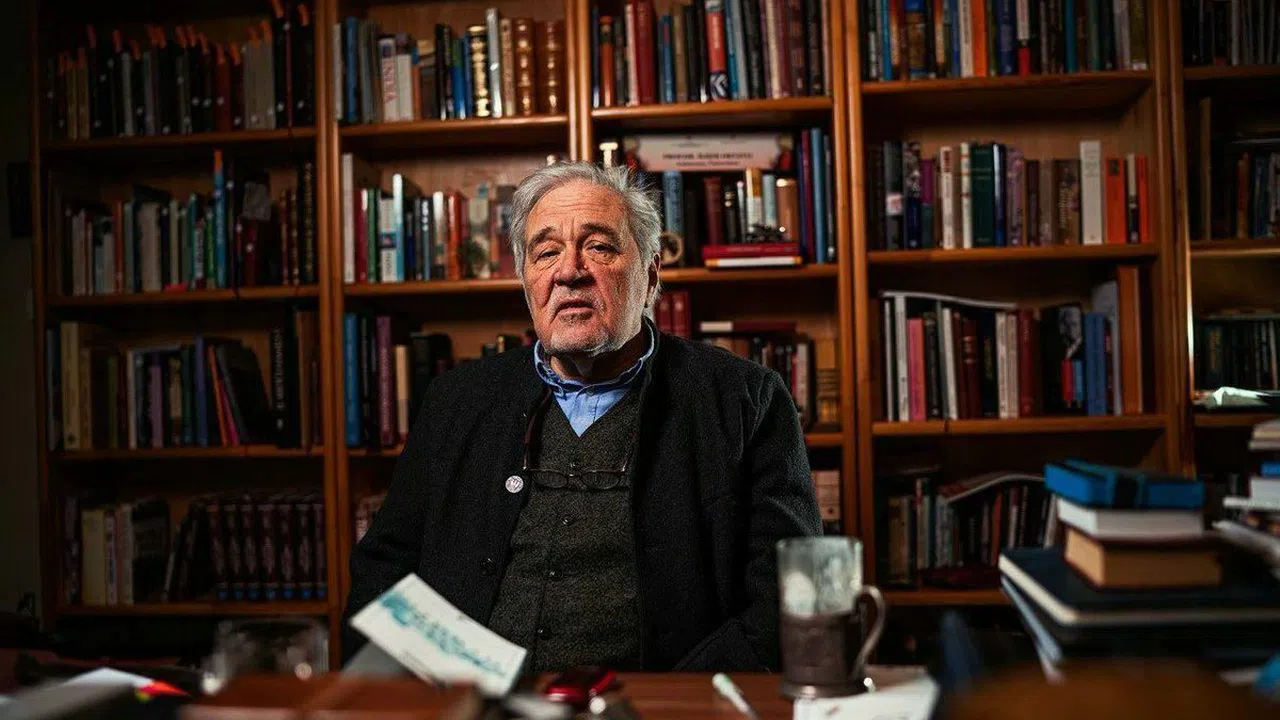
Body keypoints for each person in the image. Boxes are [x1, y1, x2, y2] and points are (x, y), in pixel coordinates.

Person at [344, 162, 821, 673]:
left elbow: (789, 599)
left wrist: (673, 701)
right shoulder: (456, 400)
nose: (569, 271)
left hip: (661, 706)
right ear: (526, 281)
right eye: (546, 252)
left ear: (650, 274)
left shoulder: (746, 399)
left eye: (599, 247)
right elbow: (383, 571)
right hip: (472, 701)